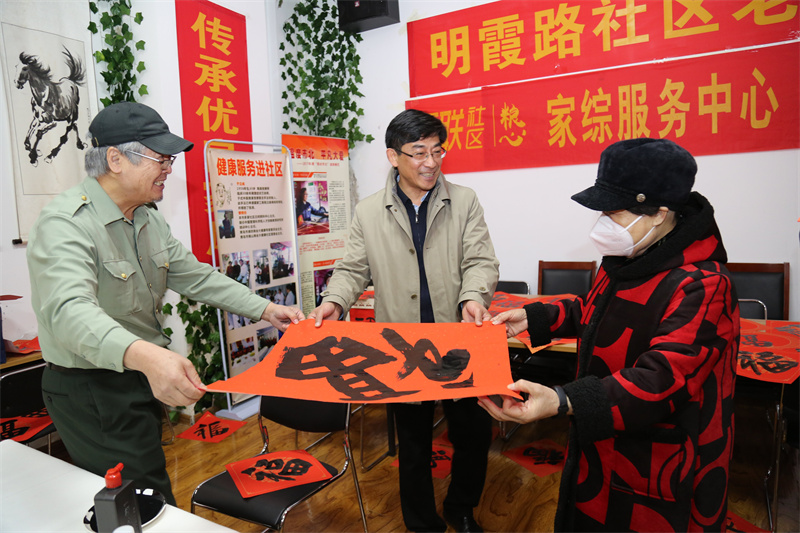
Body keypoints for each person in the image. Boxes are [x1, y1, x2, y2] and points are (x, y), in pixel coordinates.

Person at [26, 102, 305, 507]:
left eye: (169, 160)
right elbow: (69, 312)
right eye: (160, 159)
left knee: (139, 489)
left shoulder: (146, 218)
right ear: (116, 160)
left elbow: (195, 275)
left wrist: (264, 308)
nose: (169, 169)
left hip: (135, 374)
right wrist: (150, 357)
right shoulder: (66, 224)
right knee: (140, 497)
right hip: (92, 386)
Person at [480, 138, 740, 532]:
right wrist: (533, 318)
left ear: (659, 214)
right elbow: (595, 311)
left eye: (613, 212)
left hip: (663, 458)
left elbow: (661, 379)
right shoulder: (629, 259)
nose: (603, 222)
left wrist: (562, 400)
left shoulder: (702, 284)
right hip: (604, 435)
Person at [310, 109, 499, 533]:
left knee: (472, 433)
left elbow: (481, 261)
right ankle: (421, 523)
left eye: (437, 151)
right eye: (419, 152)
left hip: (458, 340)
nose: (431, 162)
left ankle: (461, 508)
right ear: (394, 157)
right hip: (402, 347)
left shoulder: (464, 200)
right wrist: (334, 302)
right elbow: (352, 269)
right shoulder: (369, 212)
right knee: (413, 443)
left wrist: (472, 296)